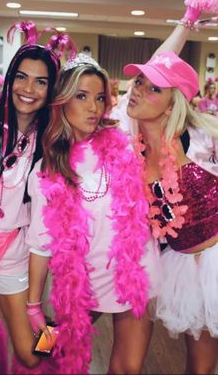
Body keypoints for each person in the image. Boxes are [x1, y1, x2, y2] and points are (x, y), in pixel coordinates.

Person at [25, 52, 160, 375]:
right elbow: (40, 245)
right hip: (84, 283)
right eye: (82, 96)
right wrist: (33, 306)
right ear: (62, 101)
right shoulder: (46, 173)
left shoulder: (123, 141)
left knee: (127, 368)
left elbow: (154, 73)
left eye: (100, 98)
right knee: (55, 358)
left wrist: (185, 23)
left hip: (134, 273)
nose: (93, 107)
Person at [0, 21, 76, 374]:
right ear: (9, 79)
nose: (28, 88)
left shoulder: (53, 141)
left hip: (13, 251)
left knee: (30, 351)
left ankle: (64, 346)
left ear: (52, 89)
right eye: (22, 77)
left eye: (41, 81)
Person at [123, 50, 218, 374]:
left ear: (172, 103)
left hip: (214, 263)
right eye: (138, 82)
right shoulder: (130, 150)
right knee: (198, 368)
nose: (137, 90)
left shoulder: (201, 141)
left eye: (154, 88)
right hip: (180, 267)